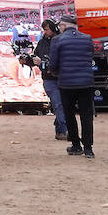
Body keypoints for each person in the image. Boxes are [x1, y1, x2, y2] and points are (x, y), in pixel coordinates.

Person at [48, 15, 96, 158]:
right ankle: (88, 148)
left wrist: (57, 73)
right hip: (86, 82)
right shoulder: (87, 38)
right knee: (86, 116)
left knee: (69, 114)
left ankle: (76, 145)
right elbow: (91, 56)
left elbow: (53, 64)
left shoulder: (57, 40)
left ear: (63, 26)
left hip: (67, 83)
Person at [34, 19, 67, 141]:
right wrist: (29, 61)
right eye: (44, 29)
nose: (45, 32)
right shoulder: (41, 43)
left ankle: (59, 129)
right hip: (49, 79)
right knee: (58, 104)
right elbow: (35, 57)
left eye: (47, 29)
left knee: (62, 105)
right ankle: (65, 130)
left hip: (62, 78)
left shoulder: (61, 40)